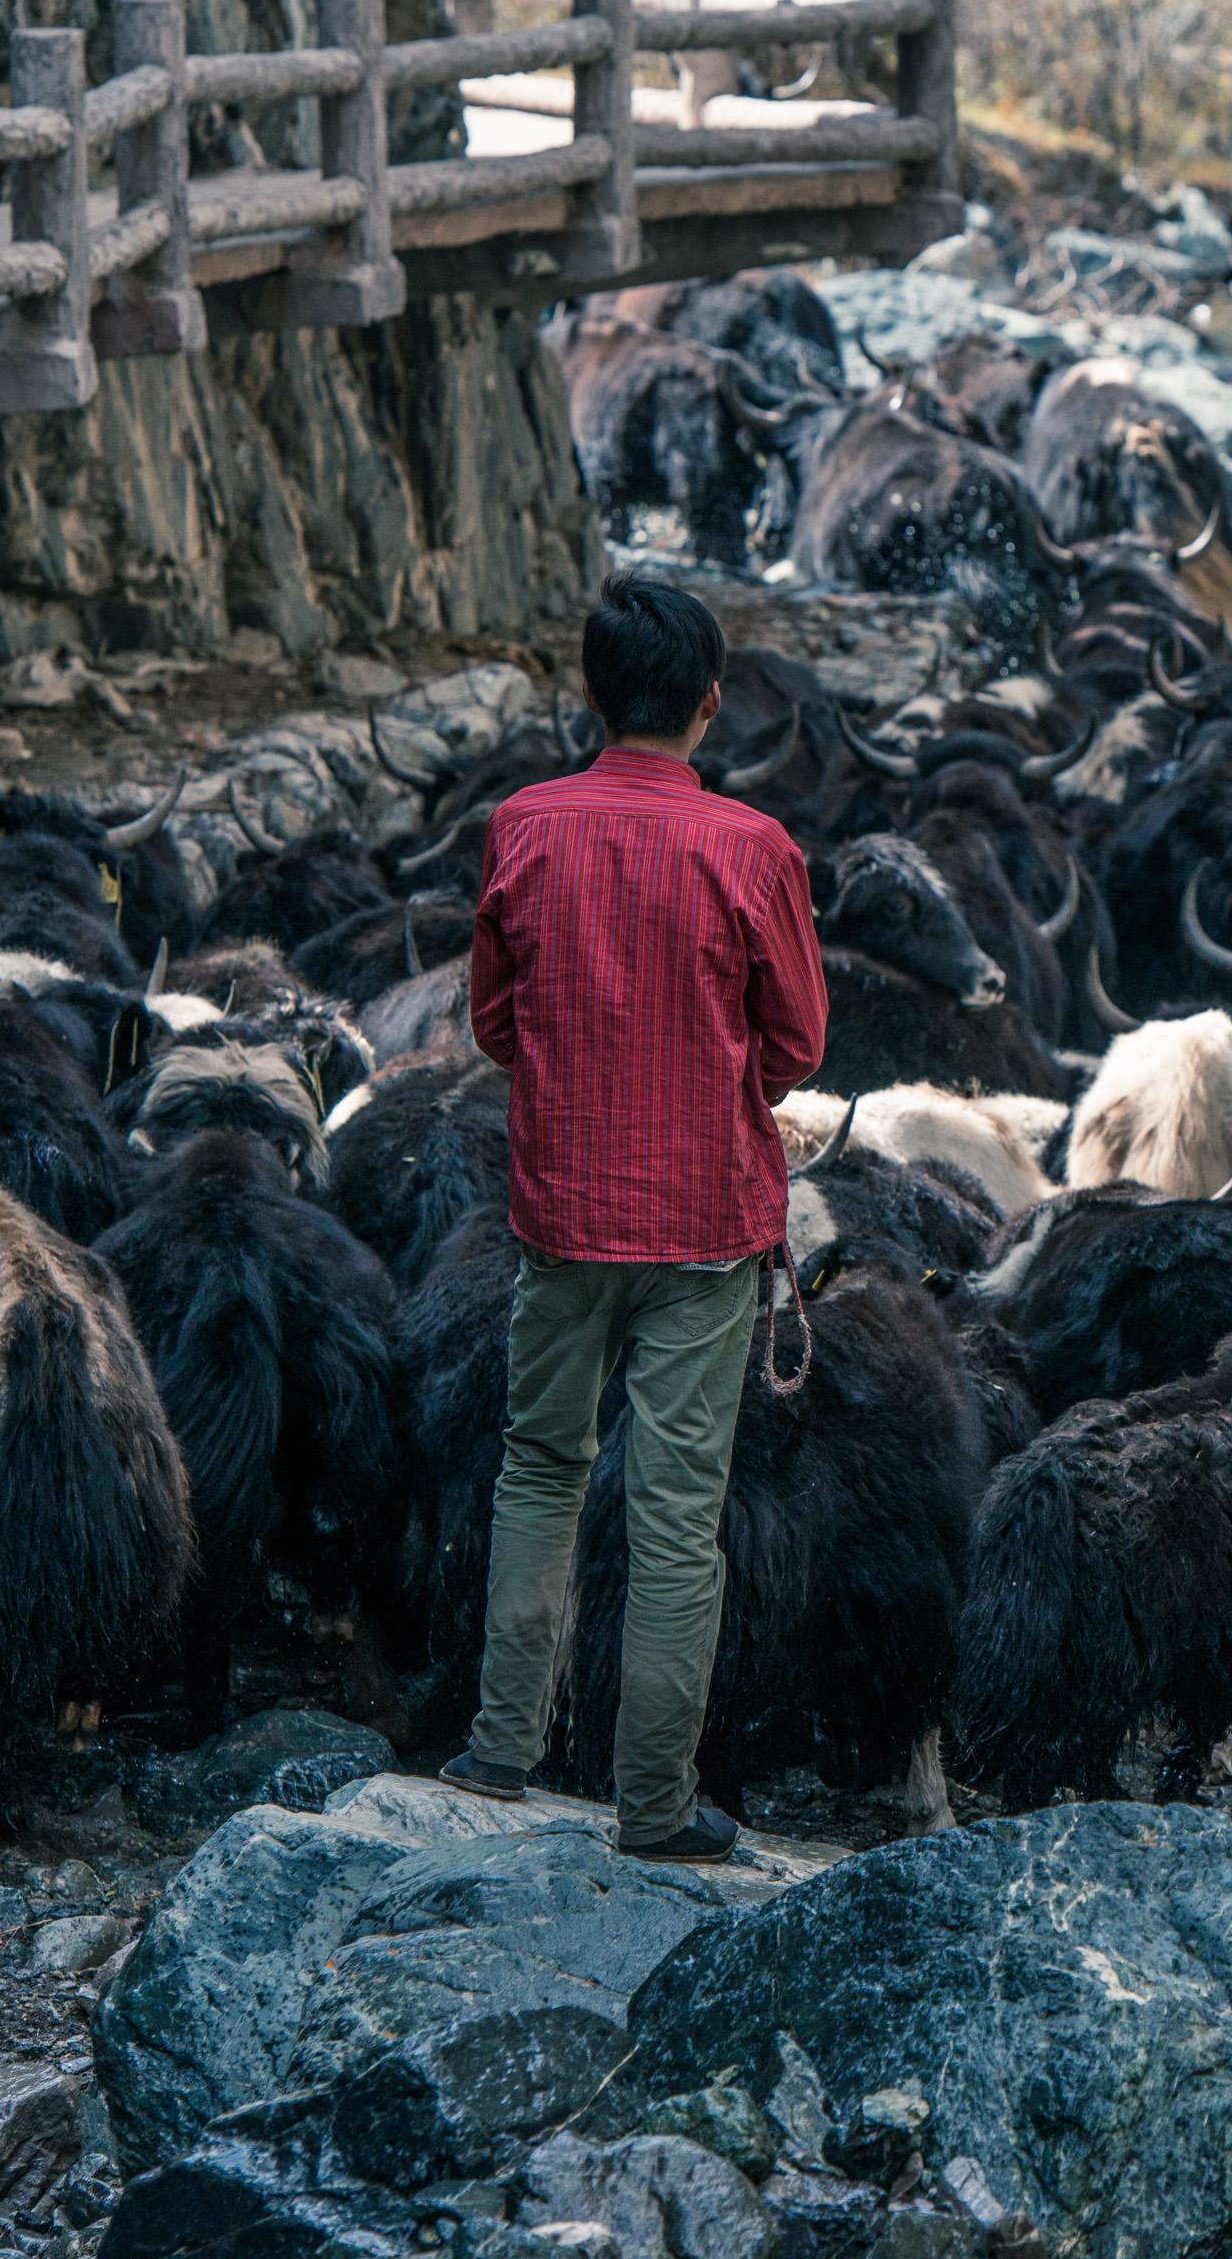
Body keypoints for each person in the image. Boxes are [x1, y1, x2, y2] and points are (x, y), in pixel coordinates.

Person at [439, 575, 828, 1861]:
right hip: (707, 1225)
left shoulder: (523, 826)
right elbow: (798, 1044)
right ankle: (653, 1807)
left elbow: (494, 1024)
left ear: (590, 698)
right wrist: (708, 1077)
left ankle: (500, 1749)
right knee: (673, 1513)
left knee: (539, 1468)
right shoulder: (754, 849)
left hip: (559, 1214)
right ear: (710, 705)